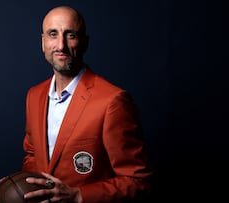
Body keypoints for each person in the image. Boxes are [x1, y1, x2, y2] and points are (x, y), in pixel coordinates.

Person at [18, 5, 153, 203]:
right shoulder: (34, 95)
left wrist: (79, 195)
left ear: (85, 43)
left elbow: (138, 181)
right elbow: (32, 154)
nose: (61, 45)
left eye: (70, 35)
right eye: (53, 34)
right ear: (43, 42)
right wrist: (22, 183)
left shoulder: (112, 101)